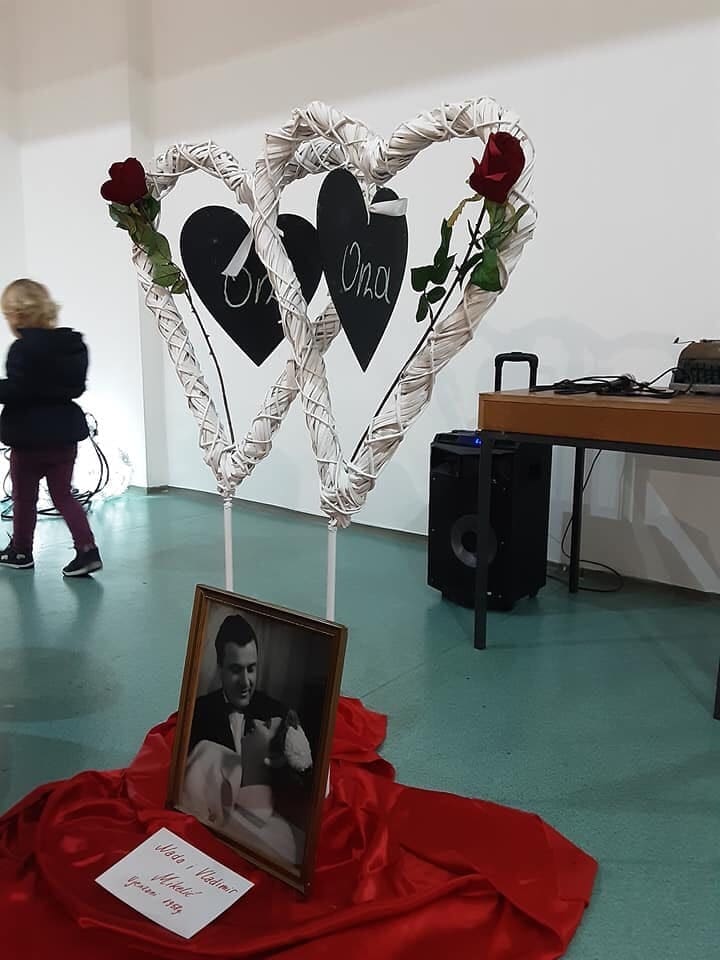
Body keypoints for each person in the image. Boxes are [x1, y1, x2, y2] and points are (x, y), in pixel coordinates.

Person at [182, 613, 313, 864]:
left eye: (251, 669)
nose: (245, 682)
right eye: (235, 670)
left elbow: (300, 788)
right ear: (220, 668)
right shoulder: (196, 713)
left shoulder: (277, 713)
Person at [0, 279, 102, 576]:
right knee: (63, 496)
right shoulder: (73, 346)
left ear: (16, 315)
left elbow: (20, 390)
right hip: (64, 437)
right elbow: (76, 387)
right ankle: (87, 550)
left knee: (24, 499)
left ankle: (21, 551)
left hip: (28, 439)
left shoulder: (21, 349)